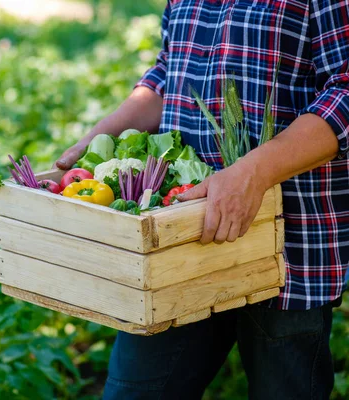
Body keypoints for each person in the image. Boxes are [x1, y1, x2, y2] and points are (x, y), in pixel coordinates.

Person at [55, 1, 349, 399]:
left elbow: (344, 91)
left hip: (289, 248)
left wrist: (253, 173)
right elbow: (168, 74)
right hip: (176, 241)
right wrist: (93, 146)